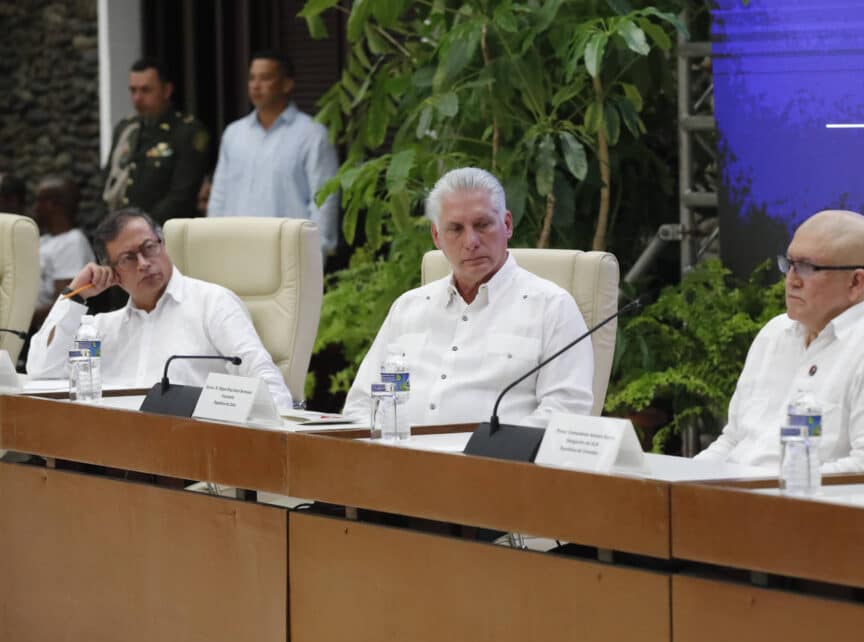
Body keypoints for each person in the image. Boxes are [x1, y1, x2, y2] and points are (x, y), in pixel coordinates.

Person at [342, 167, 594, 426]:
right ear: (437, 237)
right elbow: (364, 403)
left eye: (482, 225)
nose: (471, 241)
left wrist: (484, 453)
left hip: (494, 463)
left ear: (507, 225)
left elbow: (565, 413)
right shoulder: (408, 308)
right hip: (400, 459)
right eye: (455, 229)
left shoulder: (551, 307)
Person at [695, 210, 864, 481]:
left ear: (856, 282)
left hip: (806, 512)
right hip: (734, 503)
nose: (791, 280)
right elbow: (732, 441)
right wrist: (682, 480)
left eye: (808, 268)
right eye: (789, 263)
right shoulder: (775, 333)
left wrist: (775, 488)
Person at [27, 208, 292, 408]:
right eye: (129, 258)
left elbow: (262, 376)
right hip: (113, 456)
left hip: (193, 461)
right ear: (113, 272)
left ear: (162, 243)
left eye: (149, 247)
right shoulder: (101, 330)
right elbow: (42, 371)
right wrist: (74, 297)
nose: (143, 263)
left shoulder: (212, 303)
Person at [207, 49, 339, 259]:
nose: (255, 85)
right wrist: (210, 242)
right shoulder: (234, 133)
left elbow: (325, 199)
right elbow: (220, 195)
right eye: (251, 78)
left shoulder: (312, 134)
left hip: (289, 255)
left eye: (265, 78)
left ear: (287, 84)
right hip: (235, 252)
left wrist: (316, 252)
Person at [101, 58, 210, 225]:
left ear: (166, 90)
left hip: (164, 234)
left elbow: (182, 195)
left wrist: (141, 228)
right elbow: (108, 180)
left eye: (146, 90)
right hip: (124, 232)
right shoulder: (126, 129)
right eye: (133, 90)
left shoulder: (187, 132)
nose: (137, 98)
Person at [32, 175, 94, 326]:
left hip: (52, 335)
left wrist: (17, 320)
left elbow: (64, 306)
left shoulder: (72, 243)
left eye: (38, 201)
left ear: (52, 204)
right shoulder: (44, 240)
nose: (35, 207)